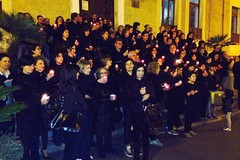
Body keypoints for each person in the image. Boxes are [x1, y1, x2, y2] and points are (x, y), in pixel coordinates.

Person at [14, 55, 49, 160]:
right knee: (26, 142)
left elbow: (42, 89)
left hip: (37, 113)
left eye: (32, 65)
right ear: (22, 66)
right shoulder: (18, 79)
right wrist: (39, 101)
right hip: (25, 115)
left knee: (35, 141)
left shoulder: (35, 77)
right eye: (28, 65)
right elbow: (20, 97)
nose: (31, 67)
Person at [126, 63, 154, 160]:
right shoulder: (131, 82)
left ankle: (146, 155)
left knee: (146, 134)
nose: (140, 73)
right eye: (138, 71)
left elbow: (152, 94)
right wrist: (140, 94)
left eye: (142, 71)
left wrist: (148, 95)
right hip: (135, 111)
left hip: (146, 111)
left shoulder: (147, 81)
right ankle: (136, 155)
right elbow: (128, 97)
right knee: (136, 134)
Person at [59, 63, 87, 160]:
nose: (78, 74)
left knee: (70, 147)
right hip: (71, 121)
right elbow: (70, 107)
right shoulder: (70, 89)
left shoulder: (69, 87)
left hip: (70, 120)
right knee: (71, 146)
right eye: (77, 72)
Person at [95, 67, 117, 159]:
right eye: (102, 73)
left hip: (109, 109)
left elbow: (114, 92)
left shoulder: (110, 83)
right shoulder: (96, 84)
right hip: (100, 110)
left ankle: (108, 146)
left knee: (108, 130)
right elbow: (96, 96)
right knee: (100, 131)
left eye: (106, 72)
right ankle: (100, 149)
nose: (104, 74)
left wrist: (114, 97)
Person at [77, 59, 96, 160]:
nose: (89, 70)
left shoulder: (90, 78)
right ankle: (82, 154)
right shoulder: (81, 79)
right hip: (85, 109)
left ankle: (84, 153)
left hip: (90, 107)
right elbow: (86, 93)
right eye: (87, 68)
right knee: (84, 132)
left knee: (87, 132)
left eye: (90, 68)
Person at [183, 72, 199, 138]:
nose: (194, 77)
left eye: (195, 76)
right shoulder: (186, 85)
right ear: (189, 77)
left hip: (194, 101)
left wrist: (196, 92)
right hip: (188, 102)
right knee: (188, 116)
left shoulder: (195, 84)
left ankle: (189, 129)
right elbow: (183, 94)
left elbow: (197, 91)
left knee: (192, 115)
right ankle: (186, 131)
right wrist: (189, 93)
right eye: (193, 76)